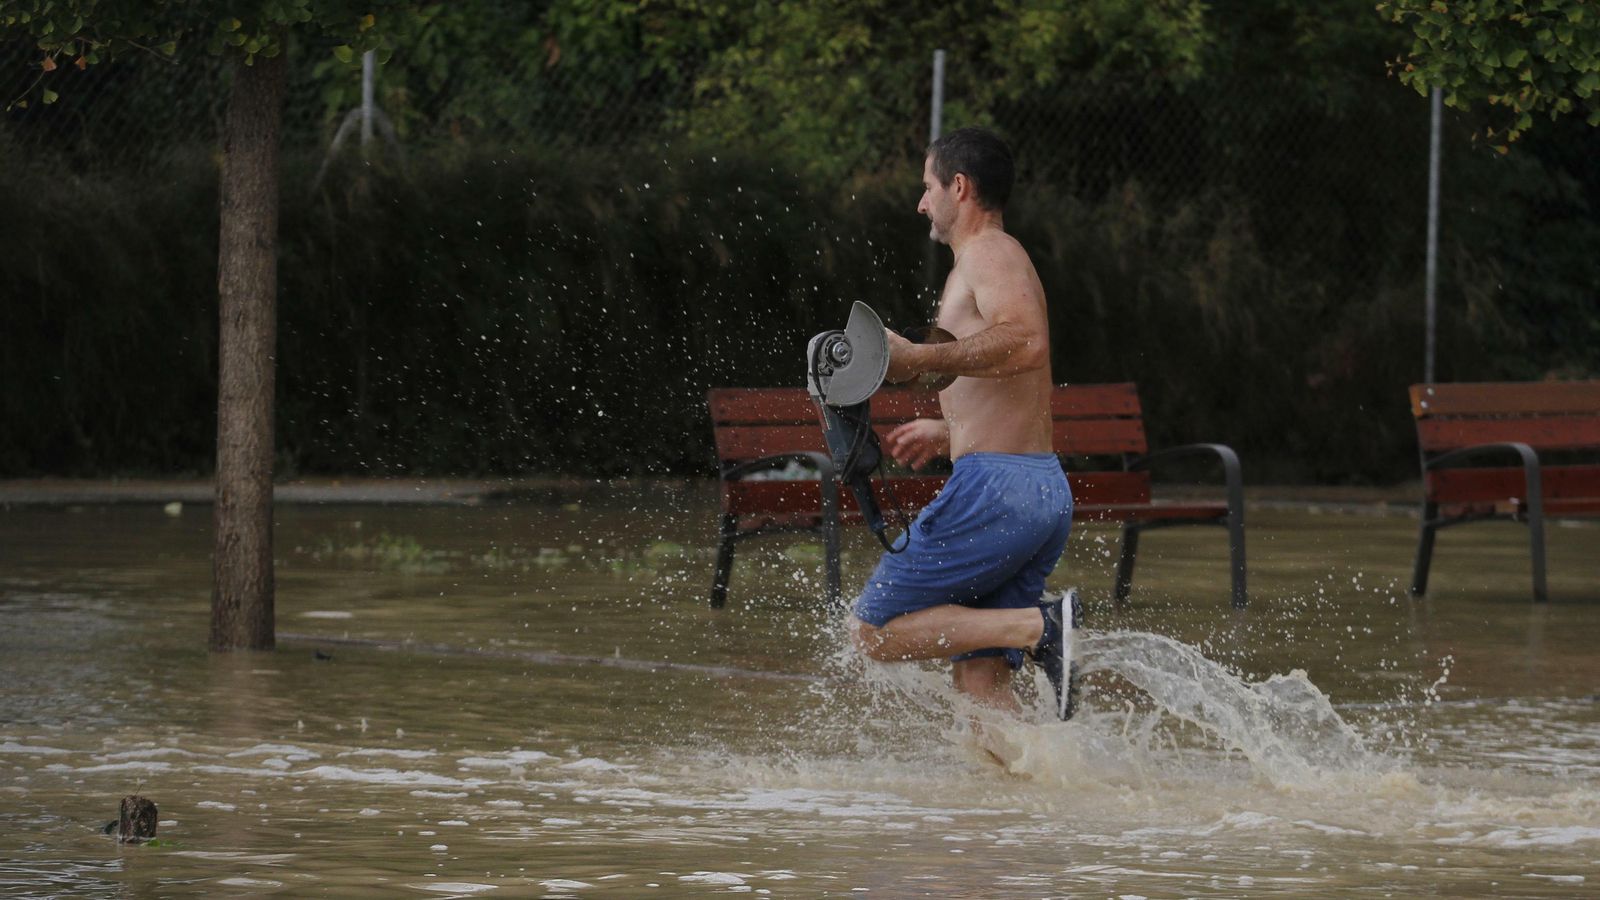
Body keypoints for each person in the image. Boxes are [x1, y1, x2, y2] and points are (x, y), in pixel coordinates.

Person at [851, 126, 1078, 718]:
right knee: (980, 681)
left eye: (927, 187)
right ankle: (1024, 800)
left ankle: (1042, 626)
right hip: (1033, 487)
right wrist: (949, 431)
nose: (921, 202)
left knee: (874, 632)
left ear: (959, 186)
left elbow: (1027, 343)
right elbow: (1011, 386)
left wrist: (921, 356)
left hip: (998, 490)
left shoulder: (990, 253)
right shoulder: (981, 263)